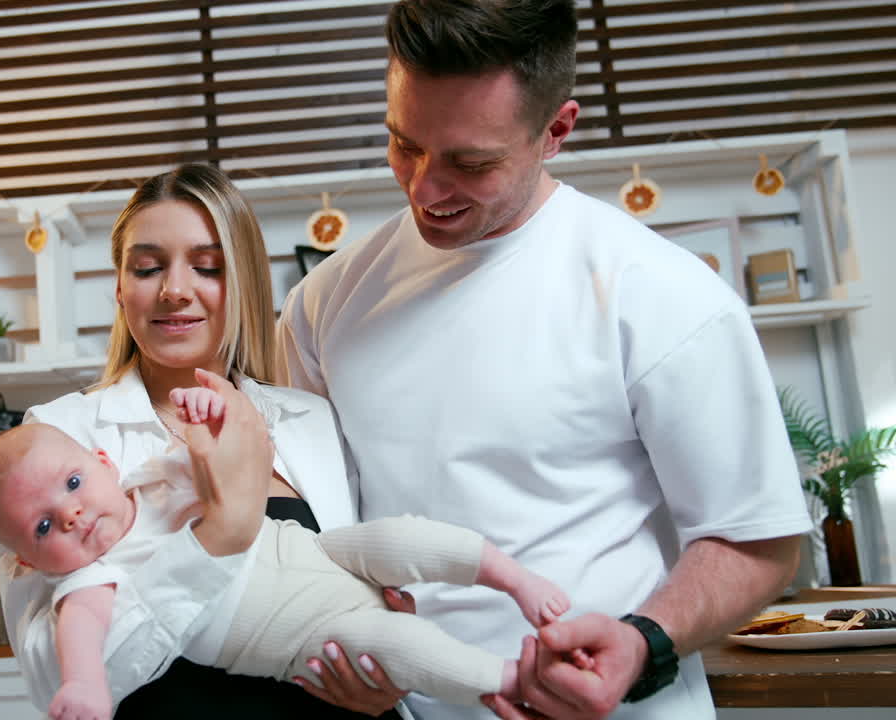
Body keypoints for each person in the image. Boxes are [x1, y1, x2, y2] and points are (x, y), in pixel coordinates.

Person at [278, 2, 813, 719]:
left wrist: (645, 641)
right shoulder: (323, 303)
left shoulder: (662, 295)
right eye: (404, 144)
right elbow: (306, 529)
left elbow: (759, 543)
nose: (423, 189)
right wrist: (336, 632)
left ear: (556, 130)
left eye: (471, 163)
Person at [0, 163, 411, 719]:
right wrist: (218, 538)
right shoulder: (55, 438)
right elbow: (53, 680)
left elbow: (364, 593)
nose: (174, 290)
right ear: (120, 288)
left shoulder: (310, 421)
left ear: (240, 282)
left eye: (207, 266)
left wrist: (388, 672)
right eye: (147, 268)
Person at [0, 386, 578, 720]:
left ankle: (510, 576)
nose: (73, 514)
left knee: (400, 538)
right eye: (46, 525)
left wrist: (211, 421)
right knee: (400, 646)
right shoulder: (89, 580)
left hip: (324, 557)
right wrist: (86, 689)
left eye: (75, 487)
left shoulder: (155, 479)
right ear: (25, 559)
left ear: (105, 466)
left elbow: (211, 461)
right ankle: (506, 682)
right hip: (306, 638)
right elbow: (72, 650)